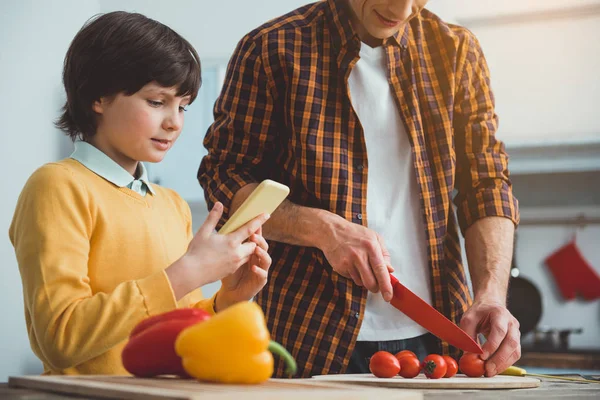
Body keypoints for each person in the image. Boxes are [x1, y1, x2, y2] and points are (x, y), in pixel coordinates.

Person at [199, 0, 521, 378]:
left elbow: (486, 182)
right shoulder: (272, 48)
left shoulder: (457, 51)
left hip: (440, 336)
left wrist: (491, 294)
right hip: (306, 333)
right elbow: (225, 176)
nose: (402, 9)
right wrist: (322, 229)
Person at [9, 11, 271, 376]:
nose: (174, 122)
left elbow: (181, 340)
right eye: (156, 101)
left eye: (182, 106)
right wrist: (187, 271)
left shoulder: (172, 205)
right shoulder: (57, 186)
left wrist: (227, 301)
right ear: (98, 97)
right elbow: (60, 338)